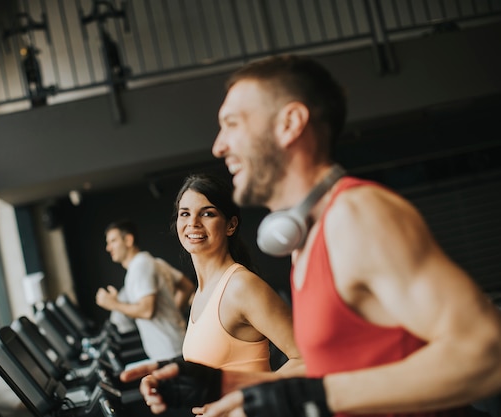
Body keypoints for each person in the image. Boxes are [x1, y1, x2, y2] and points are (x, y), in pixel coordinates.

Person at [121, 54, 501, 417]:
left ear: (289, 124)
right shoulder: (306, 239)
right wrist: (226, 383)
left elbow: (487, 355)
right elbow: (336, 369)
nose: (219, 145)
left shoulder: (356, 215)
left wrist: (315, 397)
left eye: (233, 124)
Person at [172, 172, 302, 373]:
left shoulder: (241, 287)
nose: (193, 223)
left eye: (207, 213)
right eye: (185, 213)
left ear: (231, 225)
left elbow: (306, 358)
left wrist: (248, 398)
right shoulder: (201, 294)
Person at [96, 219, 194, 361]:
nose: (108, 248)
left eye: (113, 241)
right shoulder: (154, 262)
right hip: (175, 344)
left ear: (128, 240)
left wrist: (113, 304)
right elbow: (187, 286)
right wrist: (173, 312)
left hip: (169, 352)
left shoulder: (140, 266)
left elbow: (147, 311)